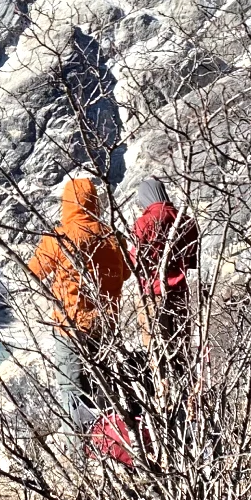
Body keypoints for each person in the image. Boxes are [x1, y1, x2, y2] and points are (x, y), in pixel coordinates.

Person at [28, 176, 130, 428]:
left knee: (72, 390)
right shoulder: (113, 235)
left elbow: (34, 270)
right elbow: (127, 273)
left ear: (68, 203)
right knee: (102, 386)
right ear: (94, 202)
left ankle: (80, 452)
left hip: (71, 326)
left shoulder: (60, 237)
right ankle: (114, 444)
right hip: (106, 325)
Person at [130, 177, 198, 365]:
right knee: (182, 351)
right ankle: (187, 390)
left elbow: (135, 262)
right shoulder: (187, 222)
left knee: (157, 354)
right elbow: (193, 262)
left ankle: (164, 392)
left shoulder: (144, 223)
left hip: (154, 295)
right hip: (180, 293)